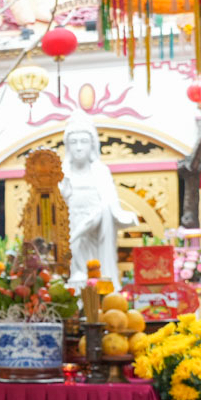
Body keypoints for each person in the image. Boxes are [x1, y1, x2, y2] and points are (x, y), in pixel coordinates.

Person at [58, 113, 138, 290]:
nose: (79, 147)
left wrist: (101, 214)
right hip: (71, 228)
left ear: (92, 144)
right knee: (73, 267)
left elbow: (110, 202)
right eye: (74, 142)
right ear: (68, 146)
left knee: (97, 269)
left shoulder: (101, 171)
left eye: (84, 142)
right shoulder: (62, 173)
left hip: (97, 228)